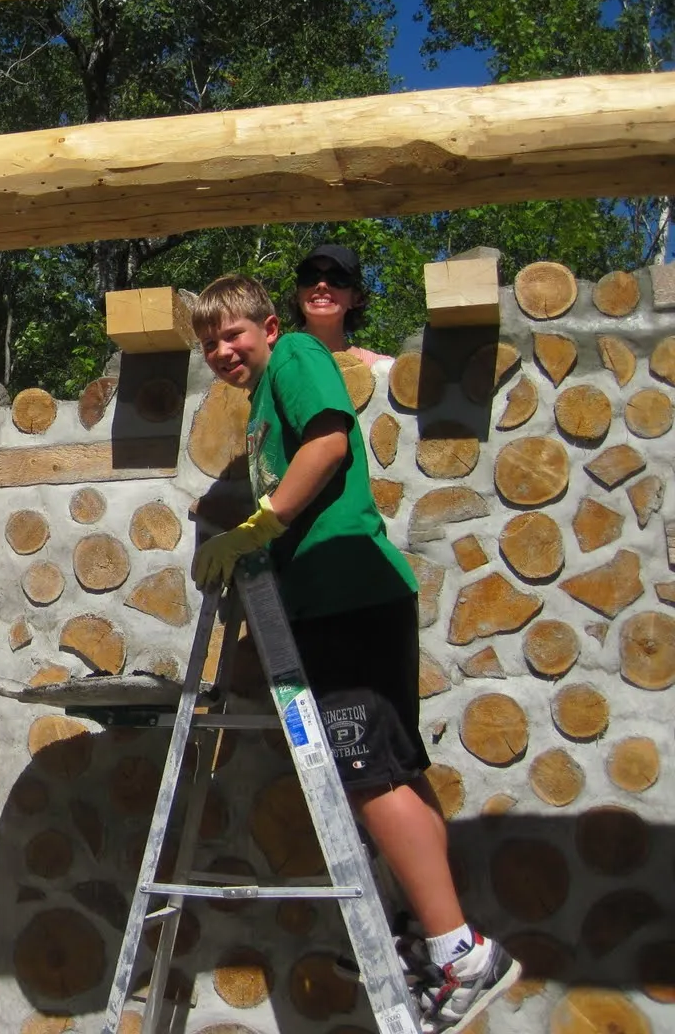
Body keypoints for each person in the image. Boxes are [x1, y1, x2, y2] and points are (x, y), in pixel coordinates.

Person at [187, 275, 516, 1034]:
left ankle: (460, 953)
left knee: (366, 772)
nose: (222, 350)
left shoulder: (298, 356)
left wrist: (260, 524)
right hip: (347, 598)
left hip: (345, 593)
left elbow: (330, 442)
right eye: (208, 343)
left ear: (269, 327)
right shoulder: (264, 400)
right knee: (392, 771)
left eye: (232, 334)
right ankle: (434, 932)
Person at [290, 243, 392, 367]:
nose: (322, 285)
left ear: (356, 298)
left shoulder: (383, 369)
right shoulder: (273, 367)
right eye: (310, 276)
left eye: (337, 277)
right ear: (298, 294)